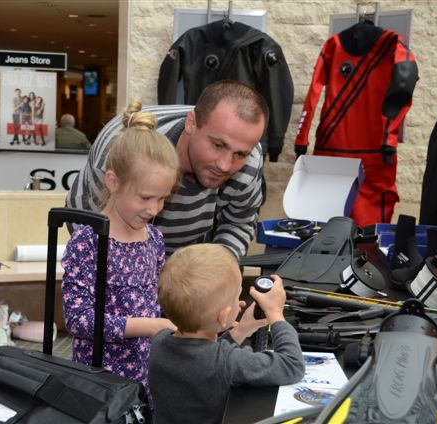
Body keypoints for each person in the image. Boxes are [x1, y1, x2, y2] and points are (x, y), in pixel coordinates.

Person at [66, 80, 267, 258]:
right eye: (217, 145)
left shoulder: (250, 157)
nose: (225, 165)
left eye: (240, 154)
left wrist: (217, 268)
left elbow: (239, 222)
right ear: (191, 123)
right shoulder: (121, 145)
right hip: (108, 245)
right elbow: (89, 223)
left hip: (186, 257)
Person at [62, 101, 179, 403]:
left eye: (163, 199)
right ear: (112, 181)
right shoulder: (88, 241)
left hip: (149, 378)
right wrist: (148, 326)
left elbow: (161, 302)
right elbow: (78, 319)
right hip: (100, 385)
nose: (154, 209)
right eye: (145, 198)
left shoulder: (154, 238)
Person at [148, 244, 305, 423]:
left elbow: (202, 354)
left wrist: (241, 330)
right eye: (237, 297)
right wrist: (276, 314)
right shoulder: (227, 362)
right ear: (223, 317)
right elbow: (292, 365)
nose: (241, 304)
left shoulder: (159, 342)